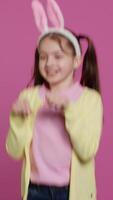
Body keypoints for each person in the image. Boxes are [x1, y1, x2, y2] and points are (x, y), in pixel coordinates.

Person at [6, 0, 103, 200]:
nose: (49, 63)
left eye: (58, 56)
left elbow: (86, 151)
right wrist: (17, 119)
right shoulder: (29, 97)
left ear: (76, 61)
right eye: (43, 57)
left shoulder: (89, 100)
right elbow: (13, 151)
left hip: (73, 193)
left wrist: (69, 110)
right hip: (35, 190)